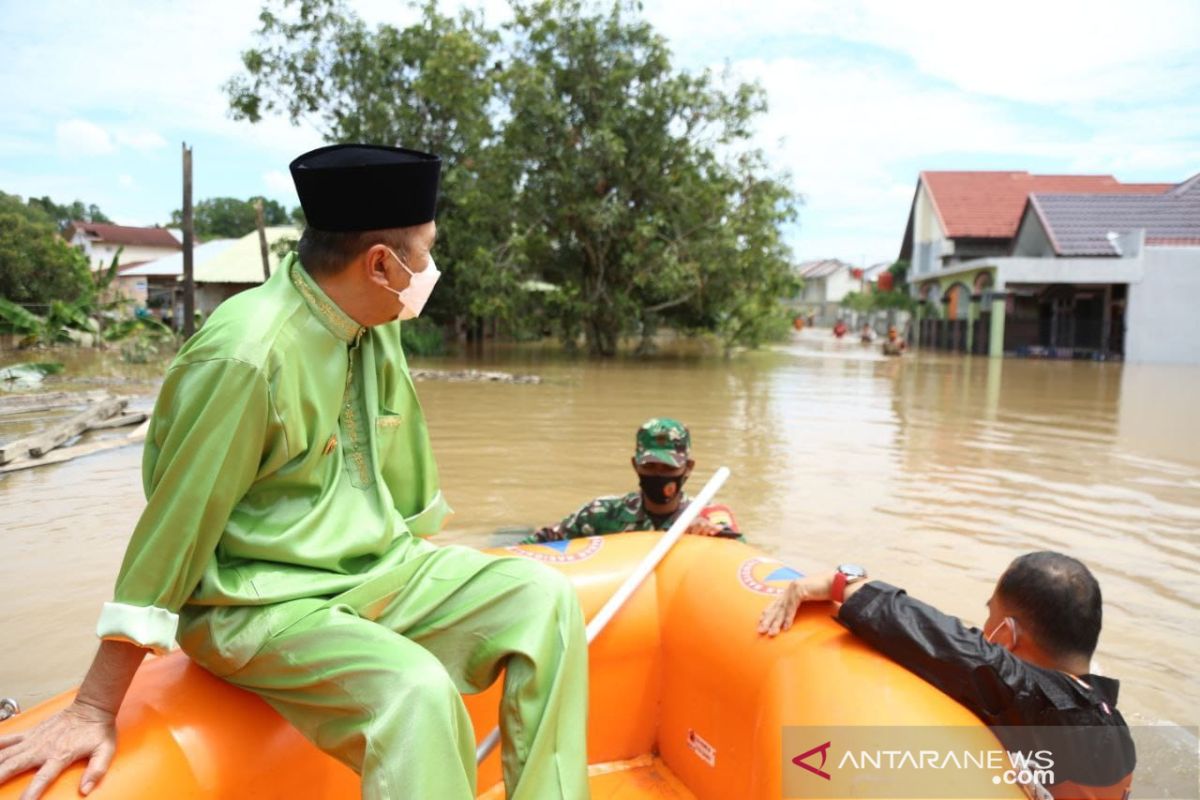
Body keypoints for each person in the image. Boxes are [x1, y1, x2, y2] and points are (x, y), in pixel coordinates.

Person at [0, 144, 590, 800]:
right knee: (413, 693)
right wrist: (94, 706)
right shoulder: (248, 354)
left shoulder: (373, 318)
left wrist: (427, 569)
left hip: (369, 566)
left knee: (545, 601)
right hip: (256, 600)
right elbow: (176, 527)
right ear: (380, 263)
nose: (430, 269)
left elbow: (399, 456)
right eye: (424, 252)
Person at [759, 552, 1135, 799]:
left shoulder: (1031, 698)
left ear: (1005, 634)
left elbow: (943, 639)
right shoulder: (1108, 718)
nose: (981, 628)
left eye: (988, 615)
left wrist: (842, 583)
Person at [522, 418, 741, 543]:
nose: (658, 474)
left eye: (668, 467)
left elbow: (737, 550)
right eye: (650, 466)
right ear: (635, 465)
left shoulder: (707, 515)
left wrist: (709, 533)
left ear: (688, 468)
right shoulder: (601, 513)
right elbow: (541, 543)